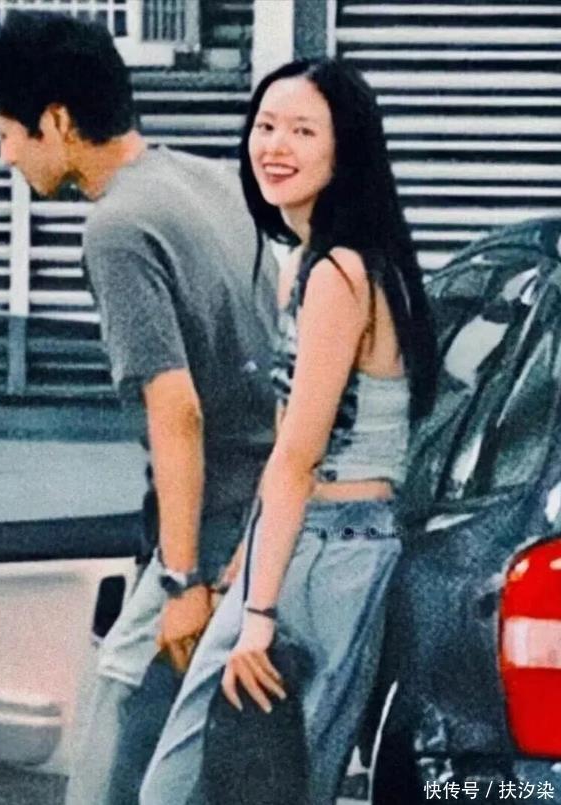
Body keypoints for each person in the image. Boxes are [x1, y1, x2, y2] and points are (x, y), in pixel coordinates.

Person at [0, 12, 277, 805]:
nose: (5, 156)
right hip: (261, 520)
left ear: (57, 122)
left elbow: (177, 409)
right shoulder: (213, 180)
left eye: (7, 135)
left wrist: (180, 580)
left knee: (112, 762)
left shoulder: (118, 227)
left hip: (210, 529)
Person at [140, 57, 438, 805]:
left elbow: (298, 459)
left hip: (326, 553)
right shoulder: (318, 264)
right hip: (319, 550)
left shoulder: (340, 274)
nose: (275, 146)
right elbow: (287, 445)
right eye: (266, 126)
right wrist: (247, 559)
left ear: (345, 151)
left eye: (303, 131)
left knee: (191, 788)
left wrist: (257, 617)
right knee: (270, 785)